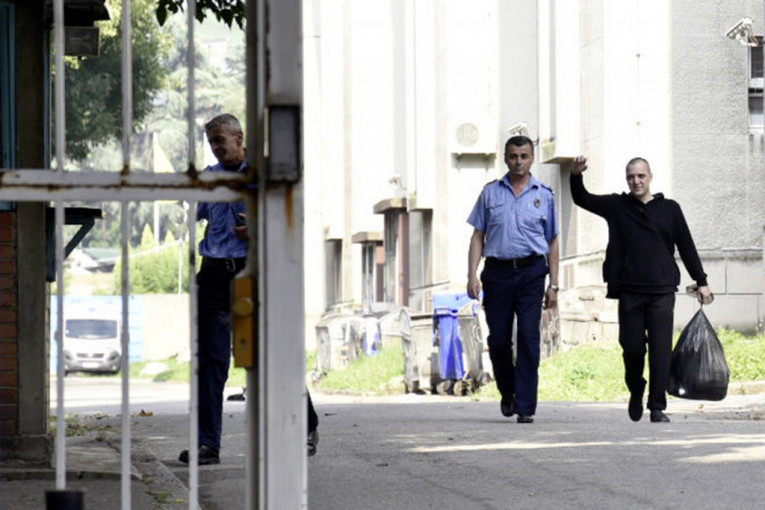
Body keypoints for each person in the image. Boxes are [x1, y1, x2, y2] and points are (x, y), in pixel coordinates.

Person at [569, 156, 713, 423]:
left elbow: (686, 245)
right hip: (629, 290)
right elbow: (582, 199)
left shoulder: (670, 209)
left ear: (650, 177)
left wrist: (701, 280)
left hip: (662, 290)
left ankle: (657, 406)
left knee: (660, 350)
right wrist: (576, 175)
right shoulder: (617, 206)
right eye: (631, 177)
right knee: (632, 348)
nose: (636, 181)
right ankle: (636, 388)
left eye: (641, 176)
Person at [467, 135, 559, 424]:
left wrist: (554, 285)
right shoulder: (490, 193)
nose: (519, 162)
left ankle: (526, 405)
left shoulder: (545, 195)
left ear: (532, 158)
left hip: (532, 273)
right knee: (498, 341)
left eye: (524, 156)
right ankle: (508, 392)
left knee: (529, 337)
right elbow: (478, 235)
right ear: (505, 158)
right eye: (513, 156)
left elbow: (553, 241)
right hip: (497, 274)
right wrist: (472, 275)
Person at [179, 113, 248, 465]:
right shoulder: (211, 177)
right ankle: (208, 445)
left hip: (251, 275)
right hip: (214, 276)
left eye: (220, 140)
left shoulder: (262, 175)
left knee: (269, 357)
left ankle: (305, 426)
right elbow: (193, 211)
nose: (216, 148)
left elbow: (288, 218)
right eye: (211, 143)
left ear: (239, 138)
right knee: (211, 362)